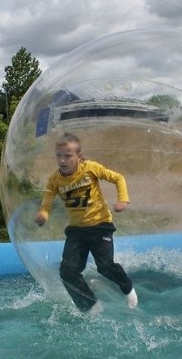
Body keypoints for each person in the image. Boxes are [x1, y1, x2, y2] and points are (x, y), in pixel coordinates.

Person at [34, 132, 138, 314]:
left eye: (68, 156)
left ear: (79, 157)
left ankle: (127, 288)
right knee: (67, 271)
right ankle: (90, 306)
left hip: (100, 225)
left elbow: (118, 178)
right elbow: (47, 201)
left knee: (105, 267)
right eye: (59, 156)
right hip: (76, 231)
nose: (62, 160)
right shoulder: (54, 180)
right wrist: (43, 214)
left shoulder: (90, 168)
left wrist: (123, 200)